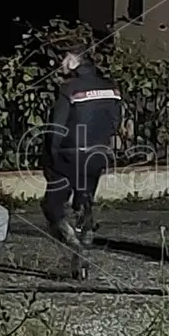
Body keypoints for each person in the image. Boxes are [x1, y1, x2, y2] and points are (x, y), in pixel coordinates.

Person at [41, 49, 122, 280]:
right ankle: (86, 235)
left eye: (63, 60)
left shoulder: (70, 89)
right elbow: (115, 122)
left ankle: (75, 244)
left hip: (69, 154)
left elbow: (56, 129)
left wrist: (51, 158)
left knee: (52, 205)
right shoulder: (112, 88)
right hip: (98, 154)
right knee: (84, 200)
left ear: (75, 61)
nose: (60, 65)